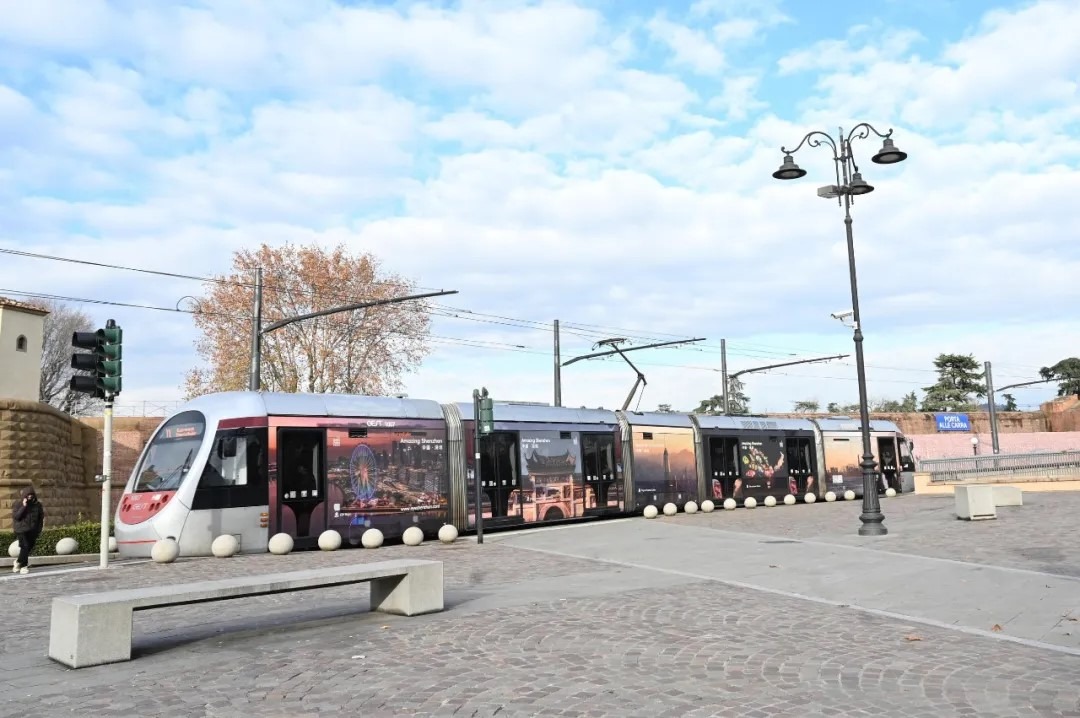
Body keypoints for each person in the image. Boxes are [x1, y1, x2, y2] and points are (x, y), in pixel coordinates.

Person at [11, 486, 45, 575]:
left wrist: (38, 530)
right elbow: (17, 517)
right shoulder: (18, 504)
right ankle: (23, 566)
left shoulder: (38, 505)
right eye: (28, 495)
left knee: (28, 547)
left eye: (31, 495)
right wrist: (24, 506)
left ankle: (18, 562)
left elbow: (40, 518)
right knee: (25, 546)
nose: (29, 497)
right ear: (24, 496)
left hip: (32, 530)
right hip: (21, 529)